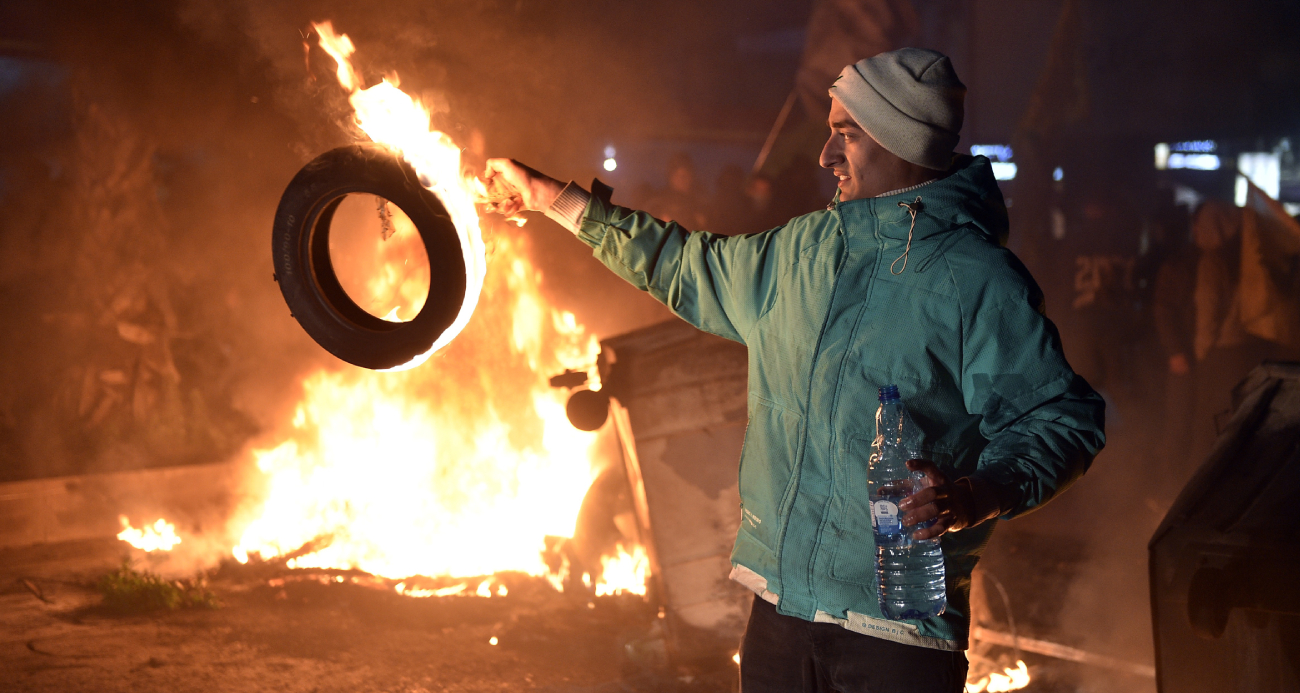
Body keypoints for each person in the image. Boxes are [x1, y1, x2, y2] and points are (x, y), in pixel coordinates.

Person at [485, 48, 1105, 693]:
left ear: (903, 143)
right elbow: (682, 264)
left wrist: (978, 494)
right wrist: (552, 199)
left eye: (846, 133)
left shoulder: (976, 282)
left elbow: (1060, 420)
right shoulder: (804, 250)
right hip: (780, 610)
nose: (824, 156)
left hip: (899, 633)